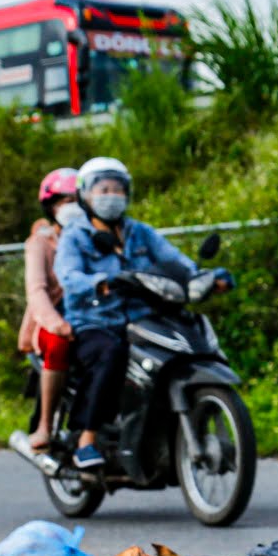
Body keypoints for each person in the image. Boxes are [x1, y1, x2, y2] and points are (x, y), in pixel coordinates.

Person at [52, 156, 205, 472]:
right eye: (103, 189)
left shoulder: (139, 232)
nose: (111, 196)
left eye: (118, 189)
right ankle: (86, 440)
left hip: (140, 318)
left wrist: (203, 277)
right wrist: (101, 283)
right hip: (94, 322)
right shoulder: (75, 235)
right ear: (86, 195)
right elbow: (68, 276)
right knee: (112, 354)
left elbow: (174, 260)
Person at [17, 167, 82, 451]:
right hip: (53, 319)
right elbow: (37, 292)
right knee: (58, 345)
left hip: (92, 316)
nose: (72, 208)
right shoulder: (41, 243)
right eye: (65, 202)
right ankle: (45, 425)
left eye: (77, 200)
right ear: (51, 207)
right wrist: (57, 324)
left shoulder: (94, 236)